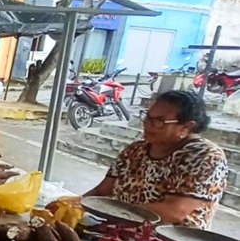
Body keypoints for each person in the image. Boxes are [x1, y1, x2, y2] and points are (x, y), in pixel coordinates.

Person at [85, 90, 228, 229]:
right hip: (121, 230)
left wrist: (117, 215)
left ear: (186, 126)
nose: (147, 124)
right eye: (148, 116)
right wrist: (76, 203)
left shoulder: (205, 156)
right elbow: (101, 191)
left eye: (159, 121)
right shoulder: (135, 150)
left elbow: (175, 211)